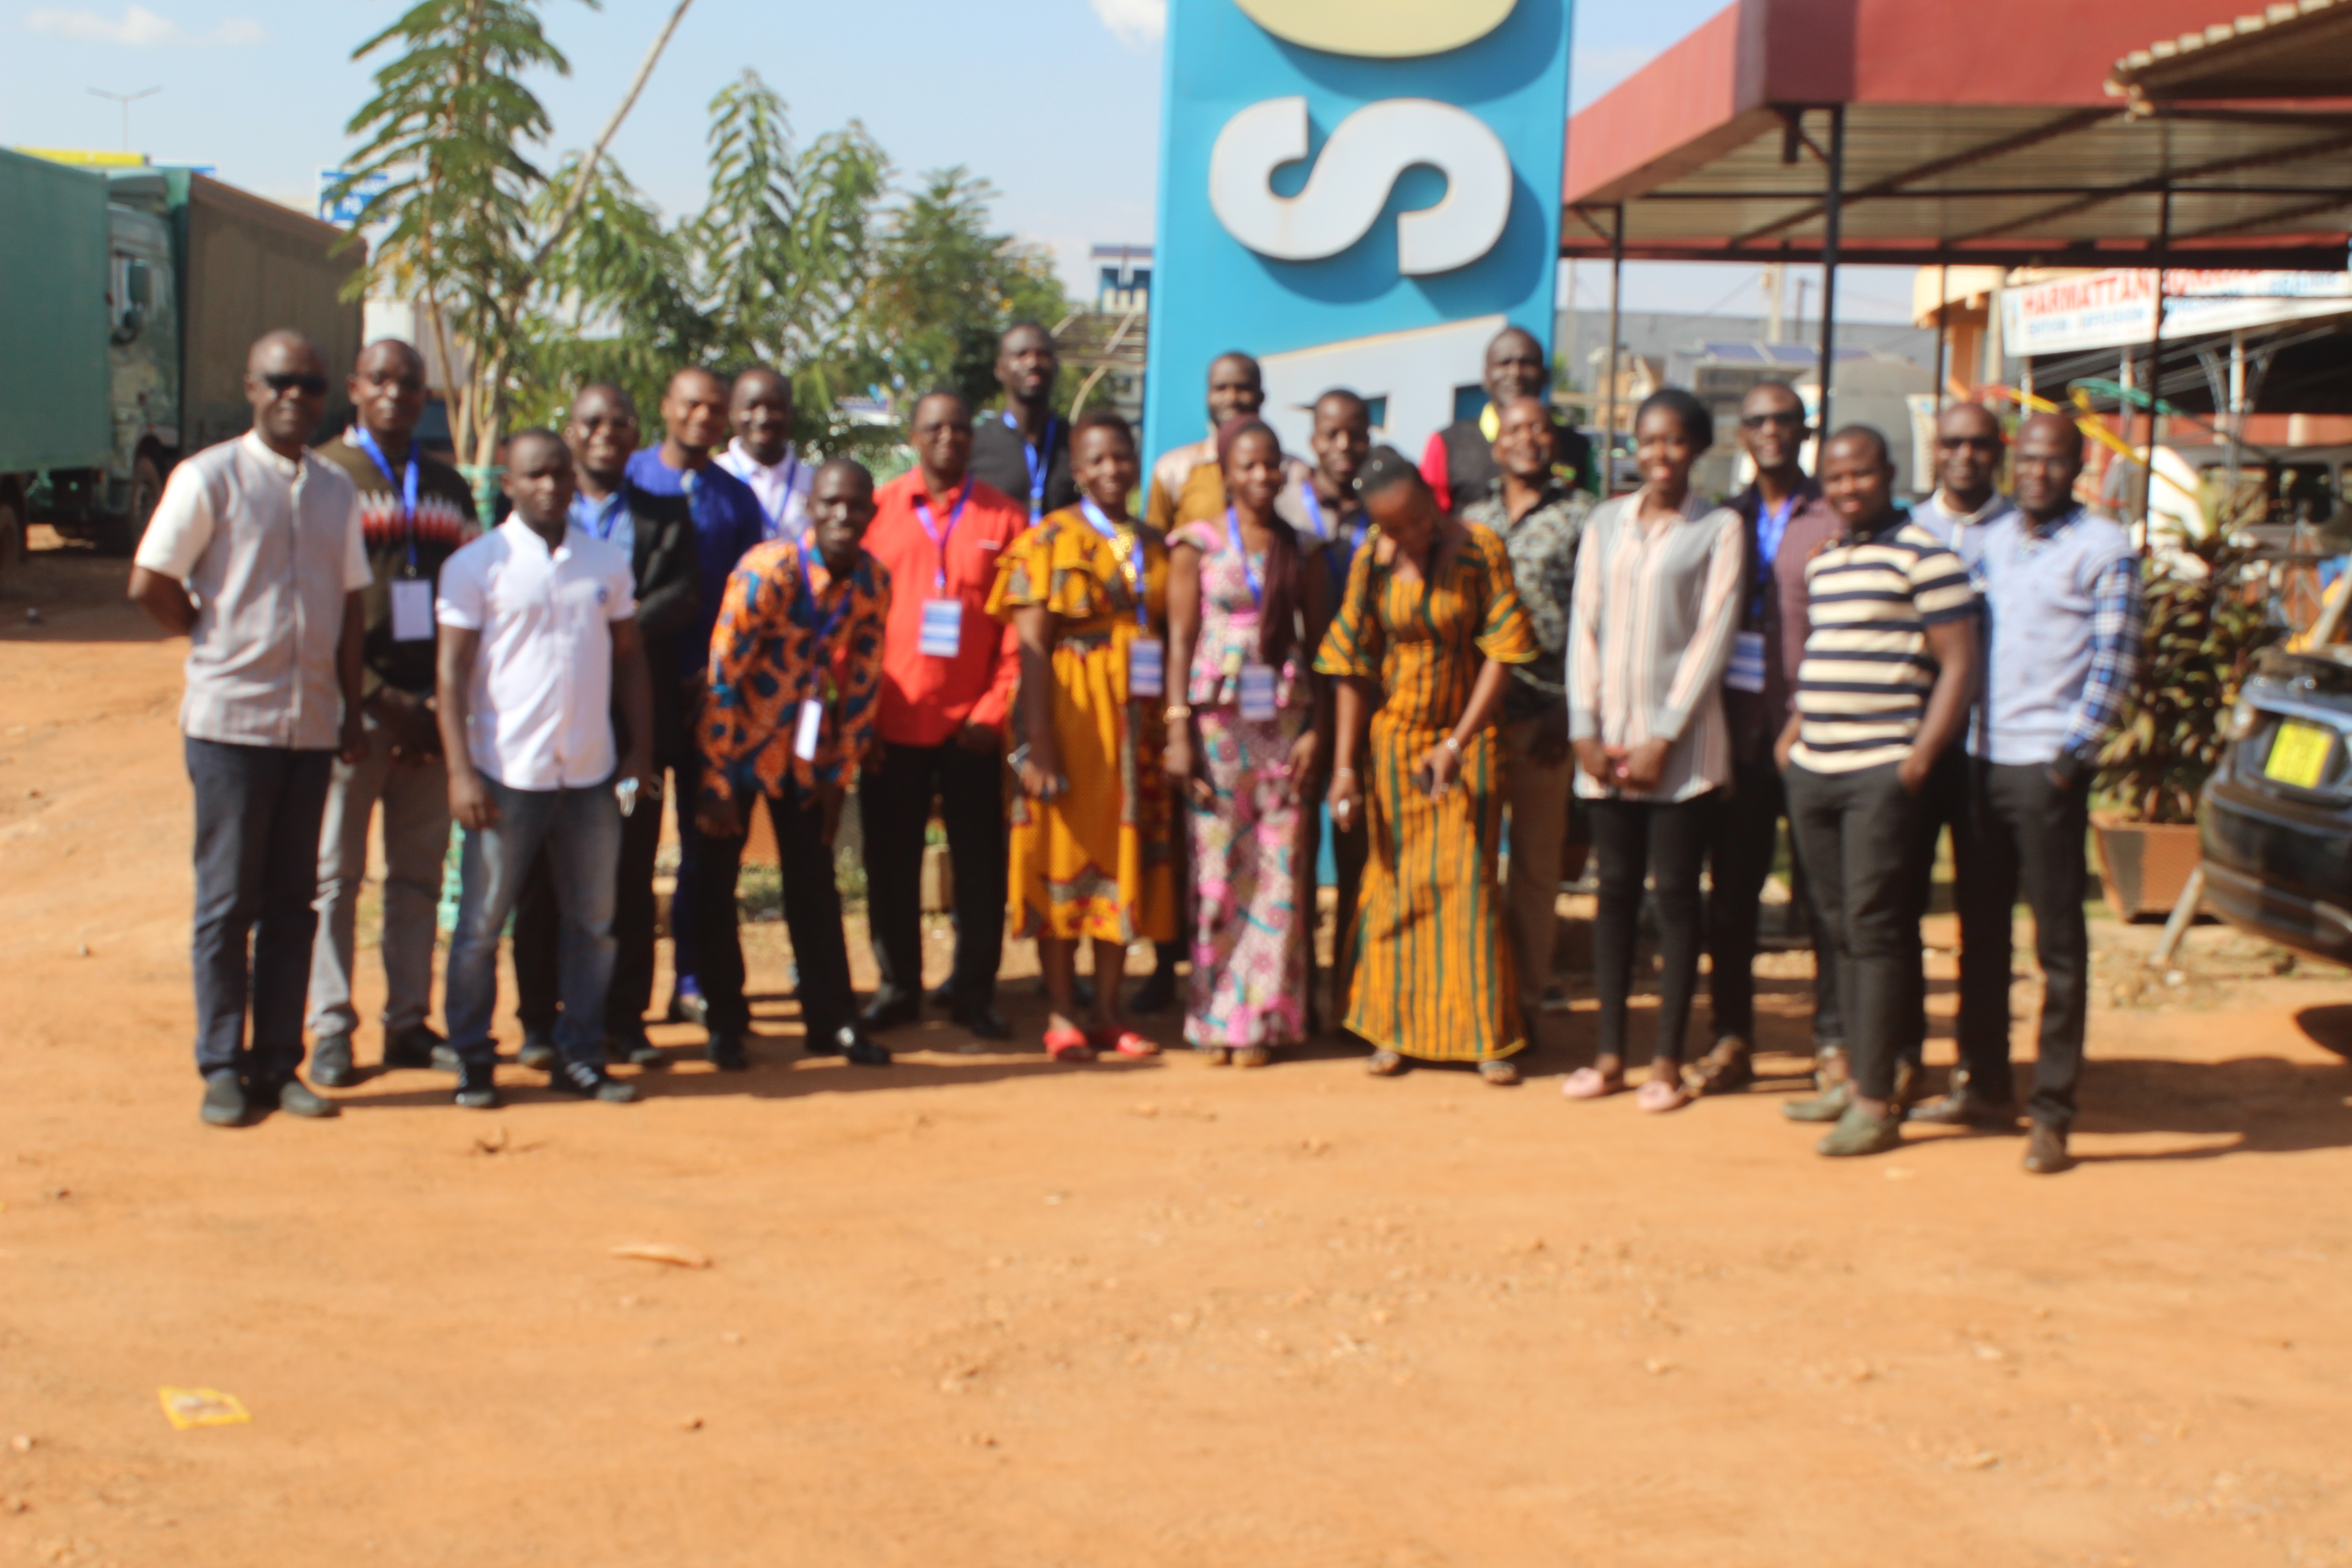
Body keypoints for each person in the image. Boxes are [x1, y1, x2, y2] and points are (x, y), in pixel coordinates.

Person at [129, 329, 372, 1127]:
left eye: (311, 384)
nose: (296, 395)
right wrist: (208, 631)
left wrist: (349, 708)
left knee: (293, 901)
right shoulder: (210, 477)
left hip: (310, 727)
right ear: (251, 387)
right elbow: (150, 581)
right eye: (280, 380)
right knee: (228, 901)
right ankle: (221, 1066)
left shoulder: (336, 490)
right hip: (230, 726)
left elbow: (350, 605)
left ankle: (278, 1064)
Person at [434, 430, 655, 1111]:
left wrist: (640, 751)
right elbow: (450, 672)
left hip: (590, 775)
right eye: (535, 475)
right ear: (508, 483)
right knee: (481, 928)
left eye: (560, 473)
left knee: (594, 926)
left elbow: (629, 658)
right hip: (507, 775)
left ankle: (580, 1055)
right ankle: (473, 1058)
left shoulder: (604, 563)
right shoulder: (477, 565)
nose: (551, 486)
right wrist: (460, 772)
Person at [1945, 412, 2141, 1175]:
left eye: (2052, 461)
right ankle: (1984, 1085)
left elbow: (2115, 659)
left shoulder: (2102, 547)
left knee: (2057, 944)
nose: (2036, 472)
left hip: (2045, 769)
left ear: (2076, 467)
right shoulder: (1989, 540)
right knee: (1980, 934)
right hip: (1979, 761)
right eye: (2025, 459)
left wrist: (2069, 758)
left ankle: (2052, 1111)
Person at [1776, 426, 1978, 1158]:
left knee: (1875, 931)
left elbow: (1960, 664)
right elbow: (1826, 650)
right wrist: (1792, 737)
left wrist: (1918, 760)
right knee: (1835, 930)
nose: (1846, 489)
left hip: (1880, 773)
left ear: (1889, 473)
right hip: (1815, 770)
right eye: (1834, 478)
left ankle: (1874, 1101)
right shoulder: (1827, 560)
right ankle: (1860, 1073)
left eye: (1859, 475)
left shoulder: (1927, 557)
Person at [1317, 449, 1537, 1081]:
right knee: (1397, 883)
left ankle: (1483, 1036)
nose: (1411, 535)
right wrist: (1344, 768)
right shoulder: (1372, 561)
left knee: (1468, 882)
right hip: (1395, 745)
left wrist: (1456, 744)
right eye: (1395, 527)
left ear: (1430, 496)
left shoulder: (1480, 549)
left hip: (1469, 741)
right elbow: (1352, 664)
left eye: (1417, 518)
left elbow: (1503, 652)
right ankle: (1391, 1030)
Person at [1560, 389, 1744, 1113]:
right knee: (1613, 896)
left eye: (1675, 441)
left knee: (1674, 901)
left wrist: (1664, 734)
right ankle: (1609, 1055)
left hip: (1682, 752)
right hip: (1606, 746)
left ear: (1697, 449)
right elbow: (1585, 625)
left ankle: (1666, 1057)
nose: (1660, 455)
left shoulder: (1718, 528)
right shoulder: (1605, 523)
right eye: (1649, 440)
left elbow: (1714, 633)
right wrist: (1584, 727)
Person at [304, 338, 478, 1088]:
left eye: (409, 385)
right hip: (356, 712)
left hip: (434, 715)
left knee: (417, 880)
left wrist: (439, 705)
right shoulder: (323, 477)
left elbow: (473, 596)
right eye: (380, 380)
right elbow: (313, 598)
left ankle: (408, 1022)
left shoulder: (447, 487)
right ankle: (330, 1028)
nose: (395, 395)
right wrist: (376, 696)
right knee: (335, 881)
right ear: (354, 388)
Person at [512, 383, 700, 1069]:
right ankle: (540, 1022)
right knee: (539, 878)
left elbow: (684, 593)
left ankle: (625, 1019)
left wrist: (612, 622)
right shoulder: (534, 511)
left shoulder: (665, 512)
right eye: (593, 422)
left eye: (620, 423)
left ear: (635, 434)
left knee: (629, 873)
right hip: (545, 726)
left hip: (631, 729)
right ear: (572, 431)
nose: (606, 434)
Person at [695, 460, 894, 1069]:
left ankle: (833, 1022)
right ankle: (725, 1023)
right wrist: (714, 779)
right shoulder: (769, 571)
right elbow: (722, 674)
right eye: (831, 503)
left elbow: (863, 682)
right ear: (811, 507)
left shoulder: (871, 582)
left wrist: (839, 777)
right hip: (737, 747)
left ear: (871, 513)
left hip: (805, 757)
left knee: (815, 885)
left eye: (855, 506)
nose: (843, 515)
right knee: (714, 887)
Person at [990, 412, 1177, 1060]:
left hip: (1138, 724)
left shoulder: (1155, 543)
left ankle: (1108, 1012)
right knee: (1061, 852)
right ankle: (1062, 1011)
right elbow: (1032, 647)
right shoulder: (1048, 539)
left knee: (1124, 855)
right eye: (1097, 460)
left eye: (1121, 457)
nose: (1111, 470)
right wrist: (1038, 743)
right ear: (1077, 469)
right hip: (1070, 715)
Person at [1695, 380, 1846, 1096]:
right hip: (1737, 733)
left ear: (1805, 430)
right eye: (1757, 420)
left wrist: (1807, 720)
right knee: (1732, 895)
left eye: (1785, 419)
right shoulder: (1726, 517)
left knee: (1823, 897)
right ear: (1742, 434)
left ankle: (1834, 1042)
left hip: (1814, 731)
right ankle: (1731, 1037)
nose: (1772, 430)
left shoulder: (1834, 516)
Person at [860, 390, 1026, 1039]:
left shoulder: (1006, 518)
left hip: (973, 731)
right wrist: (862, 716)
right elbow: (855, 622)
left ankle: (974, 992)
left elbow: (1018, 631)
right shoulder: (876, 512)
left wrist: (993, 709)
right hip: (892, 725)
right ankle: (897, 987)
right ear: (913, 436)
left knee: (980, 869)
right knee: (890, 865)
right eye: (934, 428)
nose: (948, 438)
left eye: (959, 428)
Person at [1166, 419, 1331, 1066]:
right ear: (1227, 474)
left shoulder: (1302, 549)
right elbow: (1180, 639)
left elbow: (1321, 645)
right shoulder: (1196, 544)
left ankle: (1264, 1018)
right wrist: (1177, 727)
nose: (1262, 476)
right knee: (1216, 869)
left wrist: (1318, 729)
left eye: (1271, 465)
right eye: (1249, 466)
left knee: (1278, 867)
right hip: (1217, 725)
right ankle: (1216, 1017)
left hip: (1283, 724)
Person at [625, 367, 766, 1028]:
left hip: (712, 700)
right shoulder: (631, 479)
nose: (703, 417)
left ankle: (691, 980)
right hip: (639, 693)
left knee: (704, 850)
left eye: (715, 408)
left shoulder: (735, 499)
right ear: (667, 407)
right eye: (692, 405)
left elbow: (749, 599)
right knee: (630, 851)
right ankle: (623, 999)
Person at [1461, 395, 1591, 1037]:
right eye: (1515, 429)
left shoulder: (1583, 516)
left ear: (1555, 442)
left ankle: (1527, 1005)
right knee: (1474, 867)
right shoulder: (1472, 519)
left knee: (1536, 873)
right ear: (1497, 444)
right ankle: (1477, 1001)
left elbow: (1596, 618)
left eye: (1540, 428)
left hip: (1547, 719)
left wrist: (1573, 708)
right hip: (1479, 720)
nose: (1528, 439)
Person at [1300, 390, 1374, 1023]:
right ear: (1314, 440)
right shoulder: (1283, 507)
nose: (1344, 445)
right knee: (1294, 860)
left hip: (1368, 706)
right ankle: (1297, 996)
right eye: (1332, 433)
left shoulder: (1385, 511)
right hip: (1297, 708)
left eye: (1356, 433)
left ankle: (1351, 997)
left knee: (1358, 857)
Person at [1418, 326, 1594, 512]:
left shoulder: (1577, 446)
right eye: (1504, 364)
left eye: (1526, 363)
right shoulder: (1447, 444)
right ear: (1486, 377)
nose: (1515, 373)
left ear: (1545, 376)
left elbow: (1594, 517)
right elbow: (1427, 519)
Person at [1146, 352, 1267, 533]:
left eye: (1243, 388)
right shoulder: (1172, 470)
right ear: (1207, 396)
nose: (1231, 398)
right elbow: (1154, 544)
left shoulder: (1288, 472)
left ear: (1261, 397)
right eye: (1221, 389)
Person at [969, 322, 1078, 523]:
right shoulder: (975, 444)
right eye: (1021, 355)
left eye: (1043, 354)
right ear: (999, 369)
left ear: (1056, 367)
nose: (1032, 362)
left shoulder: (1077, 443)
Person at [715, 367, 813, 542]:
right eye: (751, 407)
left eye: (774, 407)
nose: (763, 419)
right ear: (732, 412)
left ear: (791, 412)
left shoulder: (813, 482)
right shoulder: (714, 476)